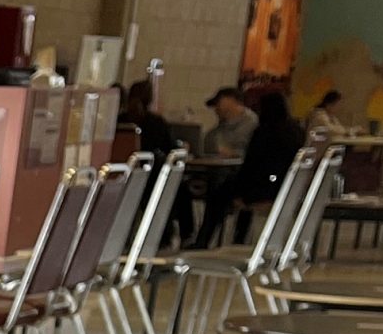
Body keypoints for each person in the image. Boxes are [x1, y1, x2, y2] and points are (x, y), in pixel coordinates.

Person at [200, 90, 304, 249]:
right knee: (232, 188)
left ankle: (204, 240)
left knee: (217, 194)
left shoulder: (264, 132)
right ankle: (239, 237)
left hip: (262, 189)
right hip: (283, 186)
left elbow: (251, 165)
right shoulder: (295, 131)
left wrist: (238, 190)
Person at [121, 79, 189, 244]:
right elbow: (170, 149)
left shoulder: (121, 121)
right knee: (182, 188)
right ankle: (183, 235)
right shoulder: (156, 122)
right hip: (153, 180)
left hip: (124, 177)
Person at [199, 86, 257, 161]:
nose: (216, 110)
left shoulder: (251, 123)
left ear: (231, 100)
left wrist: (233, 153)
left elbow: (256, 152)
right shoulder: (223, 124)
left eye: (218, 103)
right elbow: (209, 141)